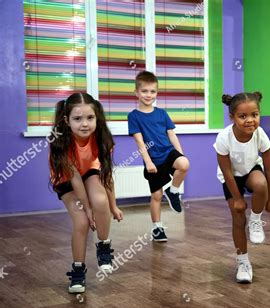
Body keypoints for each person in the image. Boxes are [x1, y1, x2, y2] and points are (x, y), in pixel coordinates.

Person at [49, 93, 123, 293]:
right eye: (77, 118)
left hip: (89, 171)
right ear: (66, 120)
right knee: (81, 222)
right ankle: (78, 270)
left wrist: (113, 205)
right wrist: (87, 209)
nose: (85, 124)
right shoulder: (62, 142)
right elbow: (74, 179)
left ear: (97, 117)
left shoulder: (101, 139)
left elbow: (106, 174)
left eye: (90, 118)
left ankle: (104, 245)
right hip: (66, 179)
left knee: (101, 201)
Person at [214, 92, 270, 283]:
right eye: (243, 116)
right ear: (232, 117)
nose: (250, 120)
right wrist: (238, 198)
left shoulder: (260, 134)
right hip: (231, 178)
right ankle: (243, 262)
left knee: (260, 183)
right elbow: (226, 171)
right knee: (238, 219)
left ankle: (256, 220)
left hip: (251, 170)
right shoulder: (223, 138)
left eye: (255, 115)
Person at [128, 71, 190, 242]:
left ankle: (173, 191)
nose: (149, 95)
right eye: (145, 91)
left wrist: (180, 153)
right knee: (156, 195)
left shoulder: (162, 113)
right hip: (153, 160)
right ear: (137, 93)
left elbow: (172, 135)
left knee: (184, 163)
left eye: (152, 91)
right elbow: (140, 142)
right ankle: (157, 228)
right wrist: (148, 162)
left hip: (169, 152)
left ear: (157, 93)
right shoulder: (134, 116)